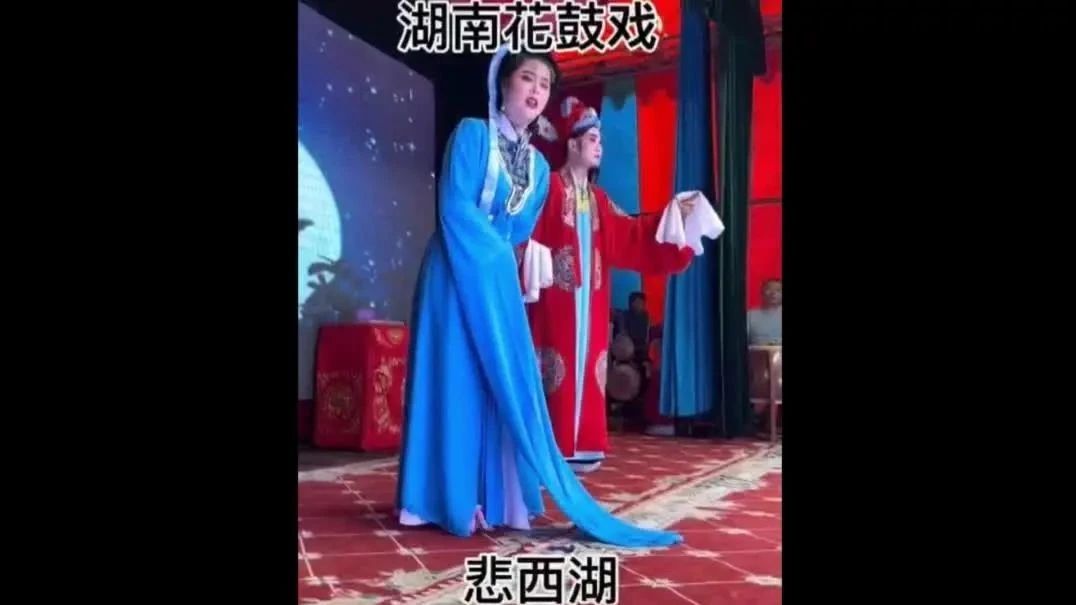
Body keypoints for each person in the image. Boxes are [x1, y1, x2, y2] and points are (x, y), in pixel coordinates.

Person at [395, 47, 681, 548]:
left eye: (545, 84)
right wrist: (501, 260)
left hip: (498, 283)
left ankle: (495, 499)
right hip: (456, 275)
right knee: (456, 380)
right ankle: (445, 498)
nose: (536, 90)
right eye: (527, 78)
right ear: (502, 85)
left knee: (497, 386)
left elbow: (520, 230)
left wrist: (515, 262)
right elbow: (457, 211)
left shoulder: (538, 168)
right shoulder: (471, 135)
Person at [525, 97, 715, 472]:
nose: (600, 146)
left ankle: (583, 444)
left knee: (589, 367)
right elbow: (522, 233)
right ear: (573, 143)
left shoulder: (599, 200)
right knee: (553, 369)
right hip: (553, 303)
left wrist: (675, 215)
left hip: (592, 306)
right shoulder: (548, 189)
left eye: (601, 140)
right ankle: (549, 446)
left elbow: (635, 235)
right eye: (592, 138)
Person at [747, 278, 782, 345]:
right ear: (762, 292)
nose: (773, 293)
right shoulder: (750, 315)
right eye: (769, 289)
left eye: (778, 290)